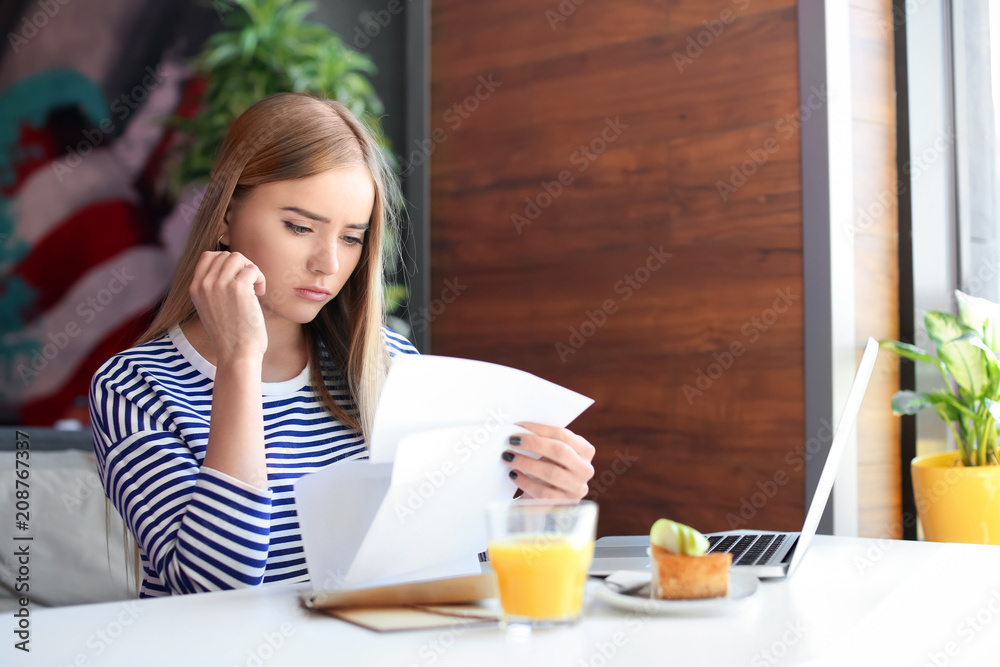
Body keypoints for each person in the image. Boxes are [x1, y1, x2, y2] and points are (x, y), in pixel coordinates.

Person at [89, 92, 597, 598]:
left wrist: (538, 506)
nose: (328, 264)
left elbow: (453, 567)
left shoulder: (393, 366)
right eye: (300, 227)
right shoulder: (133, 387)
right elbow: (216, 588)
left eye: (352, 237)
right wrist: (241, 361)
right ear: (224, 217)